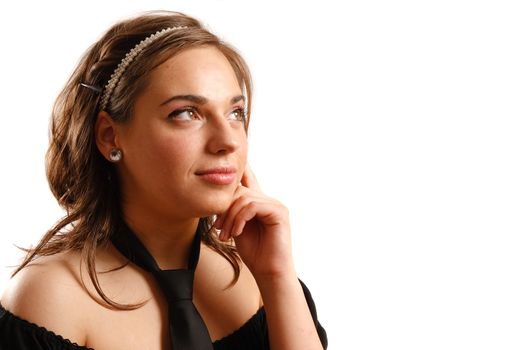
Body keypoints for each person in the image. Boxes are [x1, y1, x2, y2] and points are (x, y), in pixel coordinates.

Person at [0, 10, 327, 350]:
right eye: (186, 113)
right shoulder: (51, 300)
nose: (227, 141)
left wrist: (277, 278)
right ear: (110, 136)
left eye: (235, 113)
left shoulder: (259, 276)